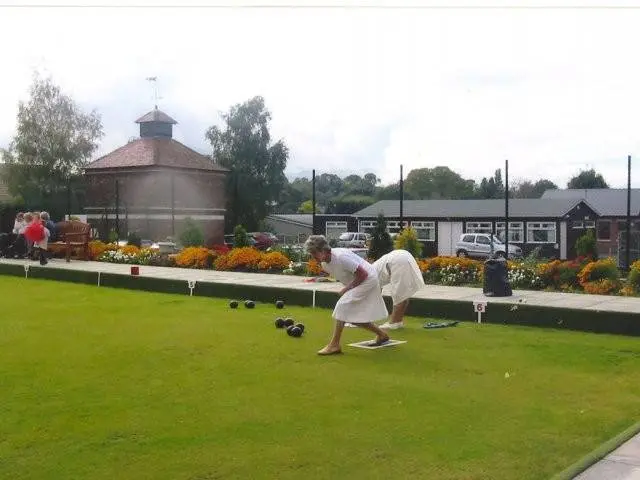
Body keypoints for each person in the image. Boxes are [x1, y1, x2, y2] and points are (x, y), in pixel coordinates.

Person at [304, 235, 390, 355]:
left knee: (342, 306)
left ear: (323, 250)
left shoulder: (341, 257)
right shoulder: (325, 264)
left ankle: (334, 345)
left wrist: (347, 289)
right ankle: (382, 335)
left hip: (368, 279)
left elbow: (363, 274)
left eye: (314, 253)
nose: (313, 257)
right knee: (350, 315)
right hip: (360, 281)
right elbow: (345, 275)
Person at [373, 249, 426, 330]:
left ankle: (394, 322)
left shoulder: (369, 276)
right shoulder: (372, 271)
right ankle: (398, 321)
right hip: (404, 256)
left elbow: (374, 294)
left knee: (398, 294)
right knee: (403, 294)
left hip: (397, 260)